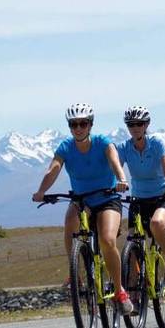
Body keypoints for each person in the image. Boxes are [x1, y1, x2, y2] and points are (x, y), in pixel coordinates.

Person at [31, 103, 133, 313]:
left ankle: (119, 289)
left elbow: (114, 161)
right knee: (70, 223)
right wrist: (41, 191)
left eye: (83, 124)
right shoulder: (66, 147)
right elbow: (54, 169)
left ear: (90, 125)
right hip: (82, 199)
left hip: (107, 197)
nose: (78, 128)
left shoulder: (102, 142)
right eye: (74, 124)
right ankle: (75, 272)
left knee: (107, 240)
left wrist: (121, 178)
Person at [116, 106, 165, 280]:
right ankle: (135, 289)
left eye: (139, 123)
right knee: (131, 244)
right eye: (131, 124)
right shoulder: (124, 147)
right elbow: (115, 168)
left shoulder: (157, 143)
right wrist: (117, 183)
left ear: (147, 124)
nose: (135, 127)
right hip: (138, 199)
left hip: (162, 197)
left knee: (157, 223)